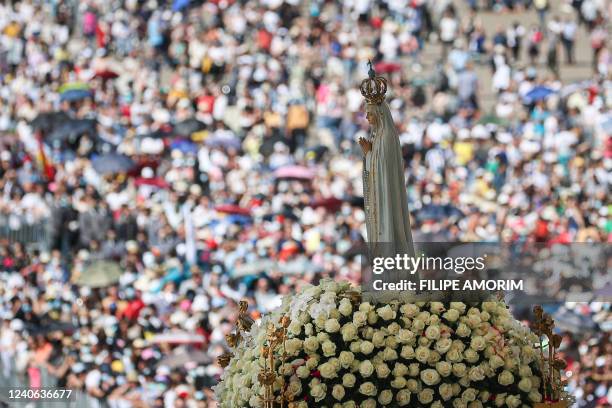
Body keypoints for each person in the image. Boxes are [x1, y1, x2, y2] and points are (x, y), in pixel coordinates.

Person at [358, 64, 414, 261]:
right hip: (381, 193)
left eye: (370, 113)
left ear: (379, 114)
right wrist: (369, 154)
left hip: (386, 195)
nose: (367, 117)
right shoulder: (379, 135)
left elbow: (382, 168)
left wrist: (368, 155)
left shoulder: (387, 136)